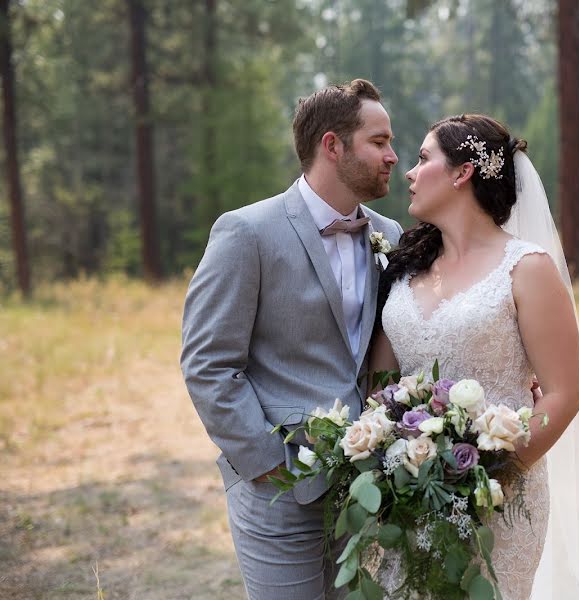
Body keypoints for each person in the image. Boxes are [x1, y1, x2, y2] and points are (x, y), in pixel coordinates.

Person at [371, 114, 579, 598]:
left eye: (423, 159)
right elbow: (380, 384)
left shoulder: (527, 269)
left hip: (500, 502)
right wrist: (395, 461)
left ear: (463, 173)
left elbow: (565, 394)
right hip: (409, 491)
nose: (409, 172)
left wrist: (483, 478)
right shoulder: (403, 268)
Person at [180, 78, 403, 600]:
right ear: (332, 145)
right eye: (378, 141)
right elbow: (208, 363)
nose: (393, 155)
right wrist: (265, 467)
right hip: (277, 490)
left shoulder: (389, 236)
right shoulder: (246, 233)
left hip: (366, 486)